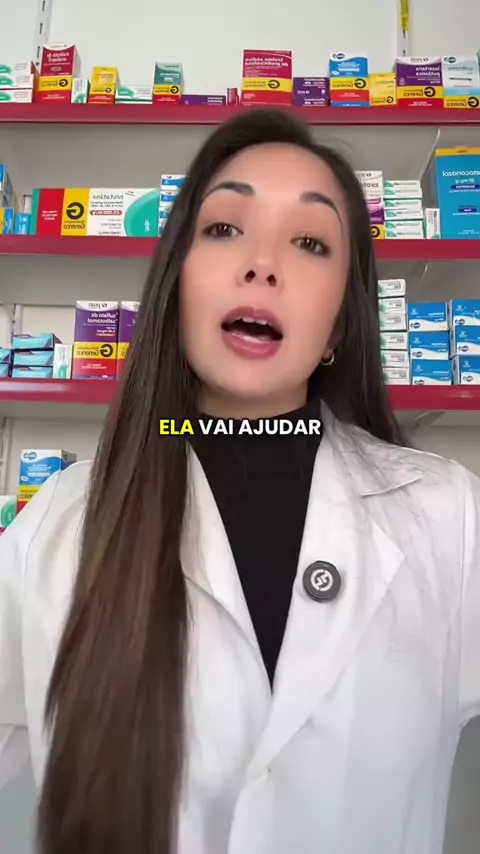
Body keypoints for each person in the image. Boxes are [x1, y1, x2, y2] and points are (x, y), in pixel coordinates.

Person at [0, 108, 479, 854]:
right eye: (224, 228)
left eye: (310, 242)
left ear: (339, 325)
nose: (262, 264)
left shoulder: (449, 516)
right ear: (178, 286)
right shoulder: (56, 529)